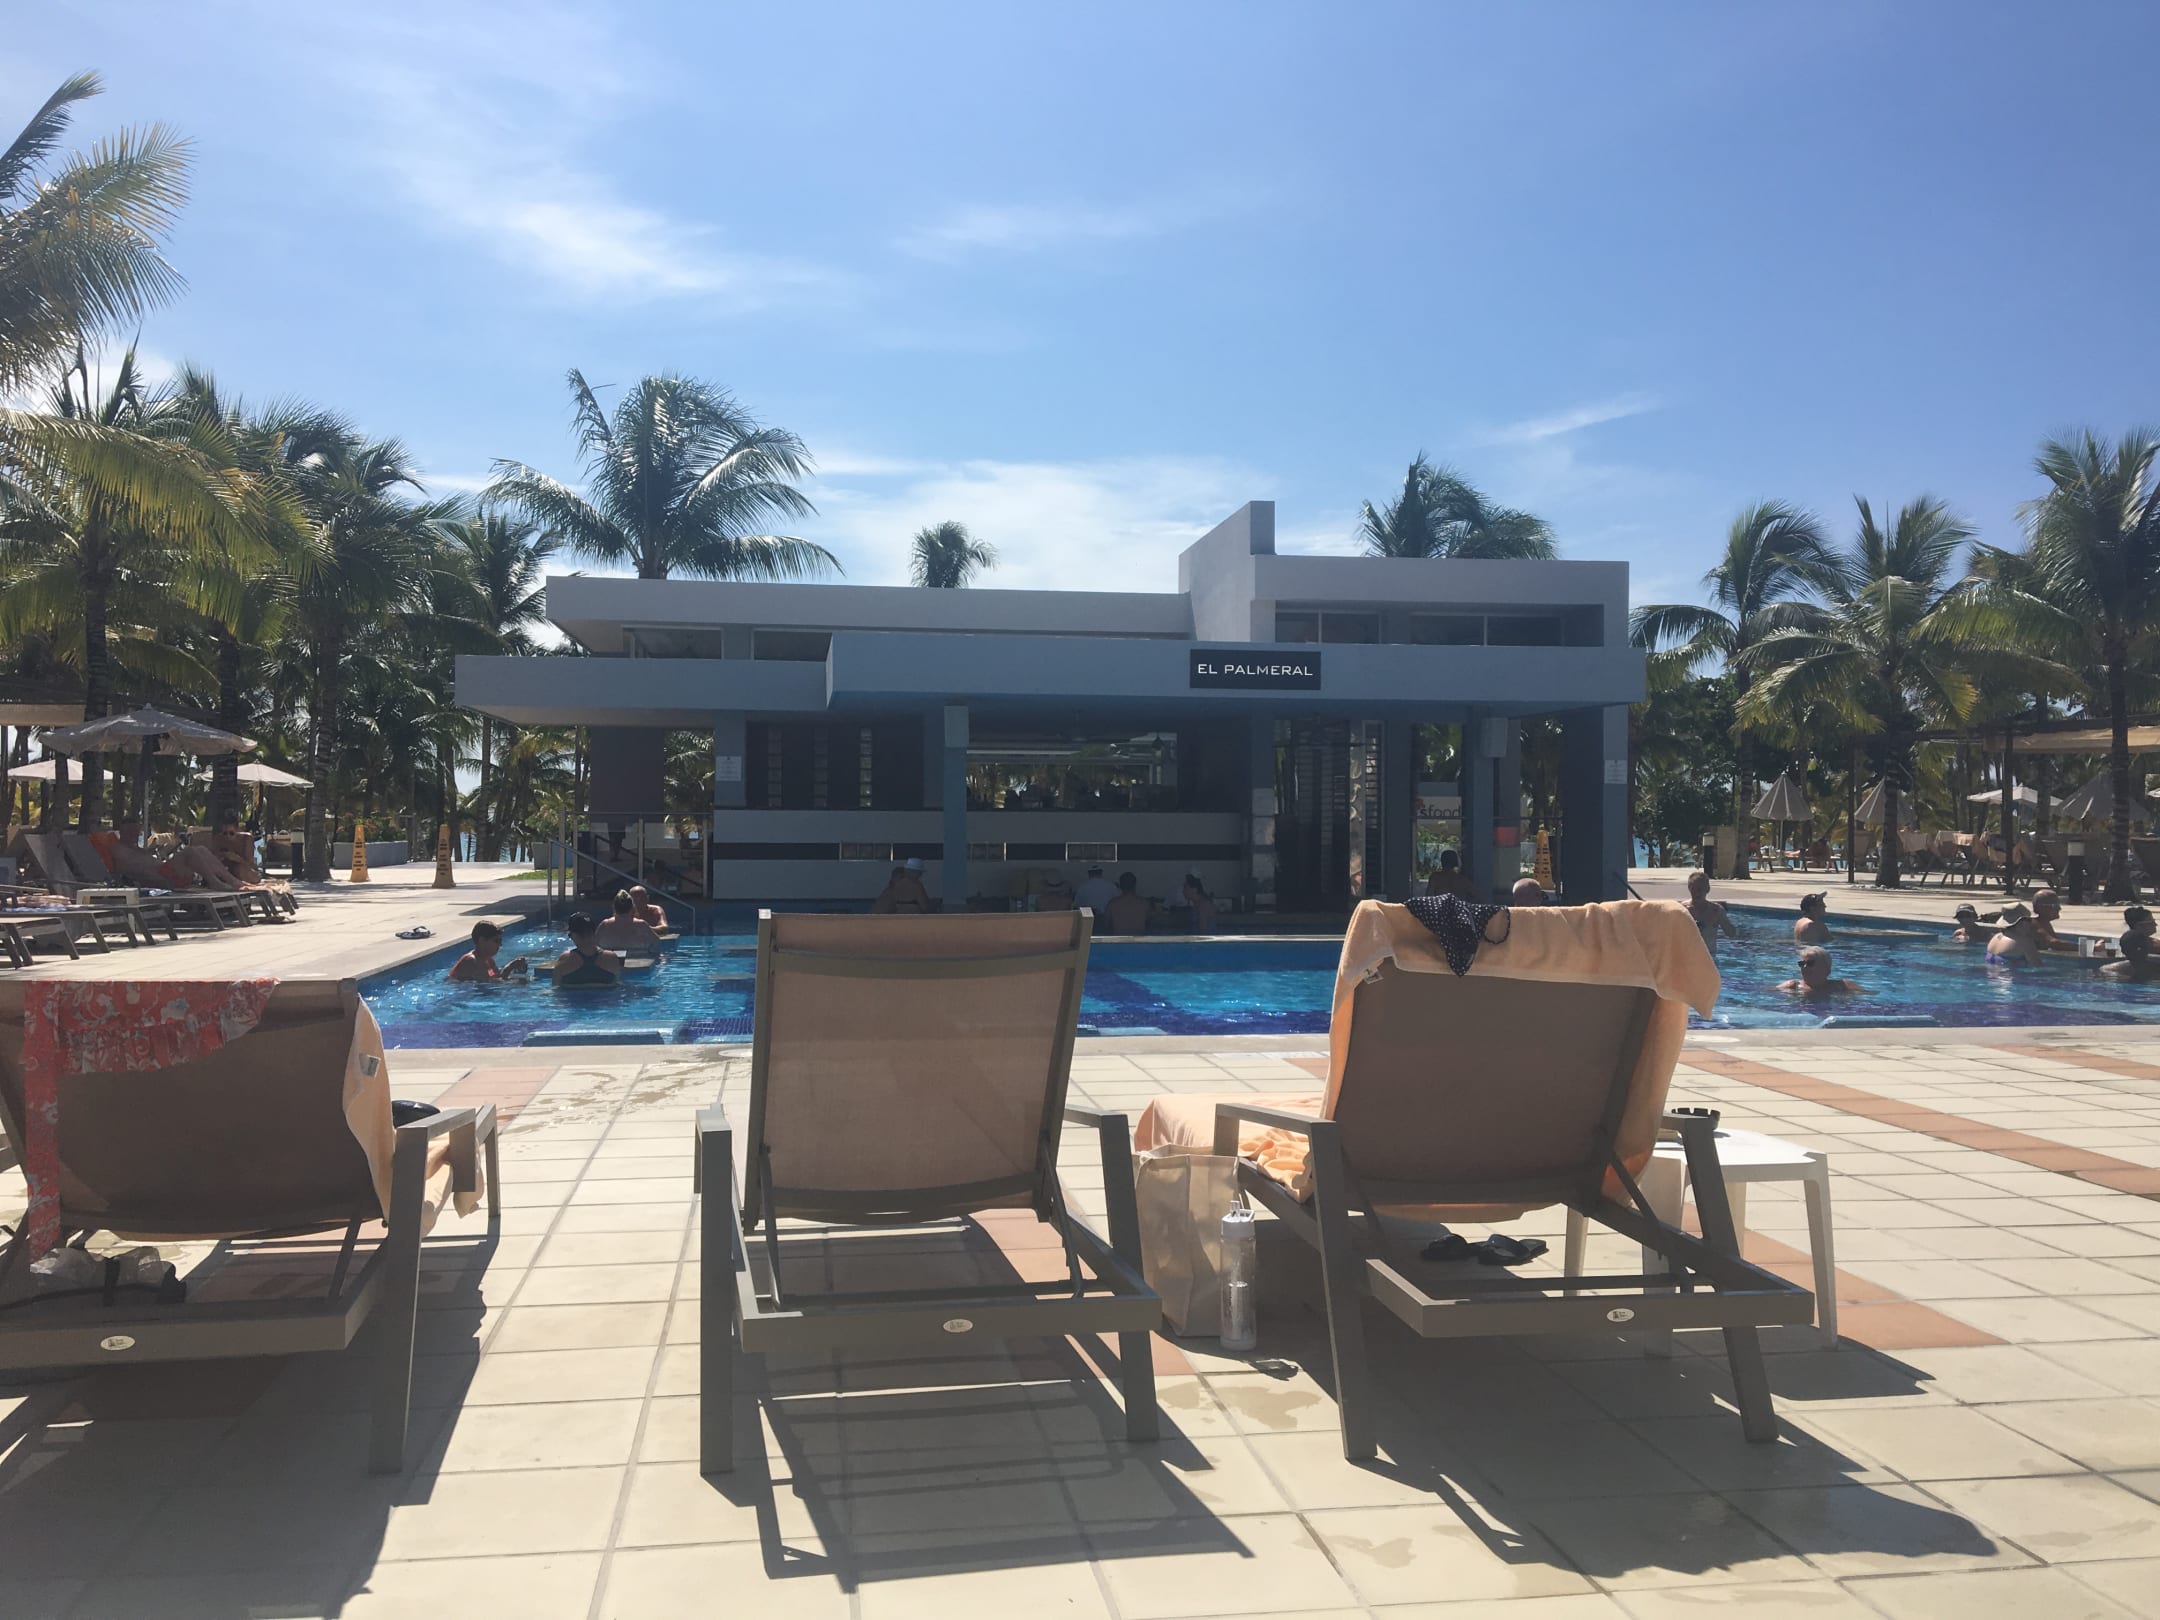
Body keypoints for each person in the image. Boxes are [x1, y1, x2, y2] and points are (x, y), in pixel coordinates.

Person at [551, 912, 624, 987]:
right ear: (594, 933)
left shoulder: (565, 959)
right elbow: (616, 984)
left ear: (573, 935)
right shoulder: (612, 958)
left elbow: (555, 986)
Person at [449, 920, 529, 983]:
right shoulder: (472, 960)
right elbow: (491, 983)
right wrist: (512, 975)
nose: (500, 944)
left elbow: (495, 977)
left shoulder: (488, 960)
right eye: (496, 941)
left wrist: (512, 967)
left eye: (500, 941)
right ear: (482, 940)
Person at [1778, 945, 1867, 998]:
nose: (1805, 967)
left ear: (1826, 969)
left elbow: (1866, 996)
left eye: (1810, 963)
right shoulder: (1793, 986)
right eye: (1802, 963)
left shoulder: (1843, 986)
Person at [1684, 870, 1738, 954]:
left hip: (1709, 956)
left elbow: (1731, 934)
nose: (1696, 893)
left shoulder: (1716, 910)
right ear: (1689, 888)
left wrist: (1722, 919)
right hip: (1688, 956)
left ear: (1707, 889)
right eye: (1693, 889)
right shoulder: (1683, 909)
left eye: (1700, 890)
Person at [595, 890, 663, 954]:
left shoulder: (605, 925)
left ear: (614, 908)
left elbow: (593, 946)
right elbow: (657, 944)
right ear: (632, 908)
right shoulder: (641, 925)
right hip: (639, 959)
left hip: (611, 960)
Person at [2103, 906, 2159, 983]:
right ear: (2139, 925)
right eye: (2151, 922)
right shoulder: (2139, 940)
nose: (2156, 924)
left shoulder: (2109, 969)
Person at [1984, 903, 2043, 967]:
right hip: (2014, 973)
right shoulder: (2024, 942)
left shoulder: (1995, 937)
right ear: (2022, 923)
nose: (2031, 924)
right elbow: (2037, 966)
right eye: (2029, 920)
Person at [211, 816, 264, 885]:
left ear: (237, 830)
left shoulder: (246, 839)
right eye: (225, 833)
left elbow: (250, 863)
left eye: (231, 833)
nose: (228, 836)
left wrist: (237, 858)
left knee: (239, 870)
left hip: (244, 869)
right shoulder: (219, 839)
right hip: (226, 870)